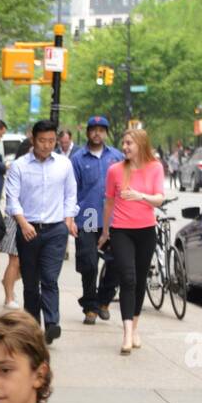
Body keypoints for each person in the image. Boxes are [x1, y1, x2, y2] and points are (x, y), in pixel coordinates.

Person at [4, 119, 78, 344]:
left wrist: (68, 220)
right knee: (30, 281)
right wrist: (23, 223)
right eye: (42, 141)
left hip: (56, 230)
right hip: (28, 229)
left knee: (49, 279)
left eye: (51, 141)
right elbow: (12, 199)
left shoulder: (64, 164)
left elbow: (70, 194)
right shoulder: (19, 166)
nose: (47, 145)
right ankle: (33, 327)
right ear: (33, 139)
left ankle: (53, 323)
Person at [101, 128, 166, 354]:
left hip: (146, 231)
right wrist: (105, 231)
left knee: (139, 281)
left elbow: (159, 199)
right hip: (121, 231)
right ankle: (127, 332)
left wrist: (140, 196)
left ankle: (135, 326)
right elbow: (109, 202)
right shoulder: (114, 171)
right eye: (124, 143)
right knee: (127, 278)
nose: (125, 147)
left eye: (129, 143)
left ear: (141, 144)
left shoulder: (156, 168)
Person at [71, 115, 123, 324]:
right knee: (89, 263)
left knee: (118, 261)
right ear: (87, 132)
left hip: (113, 217)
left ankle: (104, 300)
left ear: (106, 133)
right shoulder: (77, 158)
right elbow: (71, 191)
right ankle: (90, 306)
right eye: (93, 129)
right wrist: (70, 218)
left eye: (101, 130)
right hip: (89, 216)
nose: (97, 133)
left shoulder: (117, 157)